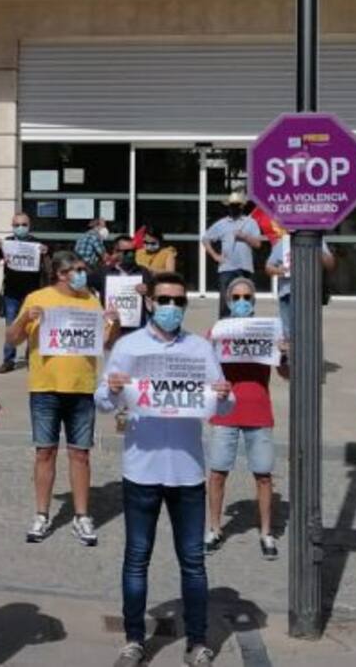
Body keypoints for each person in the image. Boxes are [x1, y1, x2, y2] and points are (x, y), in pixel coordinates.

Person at [95, 272, 233, 667]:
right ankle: (134, 639)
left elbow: (221, 405)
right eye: (164, 299)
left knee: (193, 560)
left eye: (179, 300)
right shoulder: (128, 345)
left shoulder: (200, 349)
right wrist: (115, 389)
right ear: (150, 302)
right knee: (137, 557)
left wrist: (225, 395)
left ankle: (197, 641)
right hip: (141, 467)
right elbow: (103, 401)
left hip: (188, 469)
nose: (171, 306)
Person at [6, 250, 119, 547]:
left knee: (80, 454)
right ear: (61, 274)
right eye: (78, 269)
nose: (84, 274)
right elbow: (12, 338)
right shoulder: (37, 298)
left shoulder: (91, 300)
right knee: (45, 452)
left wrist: (114, 322)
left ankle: (82, 516)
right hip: (45, 387)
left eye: (84, 269)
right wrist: (24, 321)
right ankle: (42, 514)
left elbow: (106, 342)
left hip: (82, 388)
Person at [204, 277, 288, 561]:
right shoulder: (217, 330)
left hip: (258, 409)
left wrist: (285, 355)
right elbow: (204, 371)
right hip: (225, 410)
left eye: (247, 298)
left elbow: (286, 375)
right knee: (217, 472)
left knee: (263, 474)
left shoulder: (267, 331)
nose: (241, 302)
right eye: (236, 297)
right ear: (228, 301)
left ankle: (266, 532)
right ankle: (214, 528)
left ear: (254, 302)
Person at [0, 213, 49, 373]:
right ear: (12, 226)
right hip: (11, 292)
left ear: (29, 226)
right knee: (11, 327)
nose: (20, 228)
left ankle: (31, 357)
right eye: (17, 225)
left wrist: (45, 253)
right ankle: (8, 360)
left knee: (33, 326)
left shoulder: (36, 243)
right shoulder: (7, 243)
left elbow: (49, 267)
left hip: (32, 292)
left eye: (23, 225)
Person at [264, 227, 335, 340]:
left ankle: (307, 356)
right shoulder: (282, 243)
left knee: (308, 331)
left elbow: (330, 265)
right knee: (288, 333)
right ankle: (291, 356)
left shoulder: (317, 241)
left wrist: (317, 248)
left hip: (309, 293)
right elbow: (268, 268)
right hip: (287, 293)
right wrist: (279, 270)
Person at [202, 191, 263, 318]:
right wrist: (215, 256)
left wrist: (244, 236)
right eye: (231, 205)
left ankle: (246, 326)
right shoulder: (222, 223)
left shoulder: (250, 222)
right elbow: (205, 239)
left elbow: (258, 244)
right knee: (225, 300)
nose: (233, 208)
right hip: (227, 268)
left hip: (245, 267)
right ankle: (225, 327)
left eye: (236, 205)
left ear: (242, 206)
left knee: (246, 298)